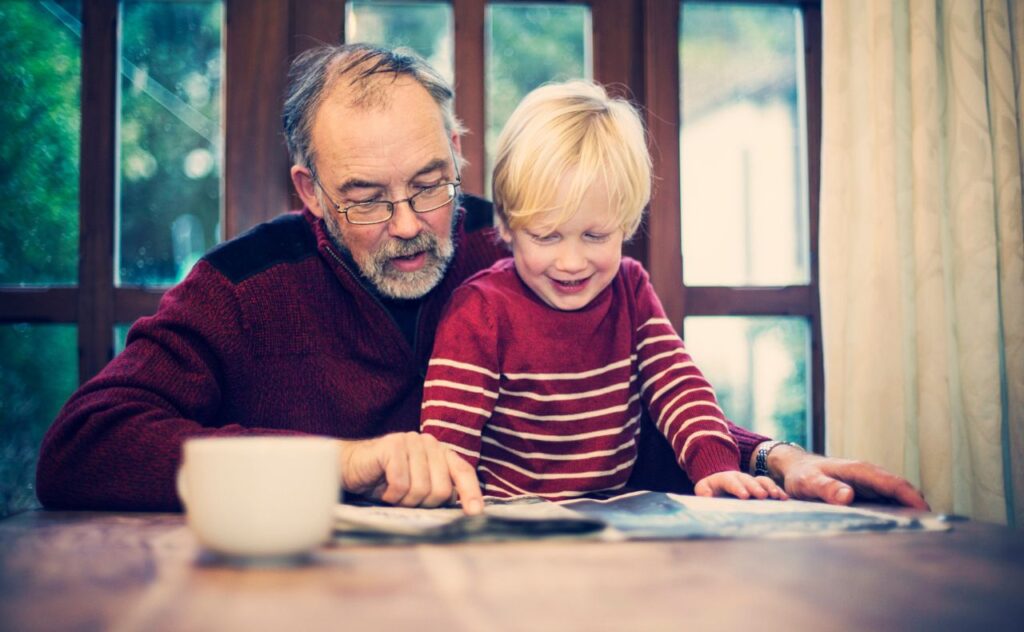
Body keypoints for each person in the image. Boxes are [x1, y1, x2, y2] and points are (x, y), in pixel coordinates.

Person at [35, 43, 929, 515]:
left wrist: (772, 456)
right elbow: (83, 449)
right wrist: (343, 465)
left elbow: (626, 396)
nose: (410, 225)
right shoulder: (241, 286)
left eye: (428, 183)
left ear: (458, 151)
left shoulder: (518, 244)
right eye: (365, 199)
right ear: (308, 191)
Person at [421, 81, 788, 502]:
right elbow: (447, 444)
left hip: (615, 513)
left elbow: (678, 384)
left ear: (626, 224)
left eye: (595, 236)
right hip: (511, 519)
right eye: (546, 236)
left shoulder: (630, 289)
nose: (572, 261)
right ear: (506, 226)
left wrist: (716, 465)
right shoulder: (480, 310)